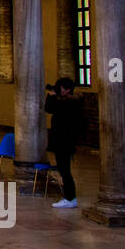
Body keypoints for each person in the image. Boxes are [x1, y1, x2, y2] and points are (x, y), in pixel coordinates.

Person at [44, 76, 85, 208]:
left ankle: (70, 197)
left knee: (65, 170)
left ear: (67, 90)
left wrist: (51, 96)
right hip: (62, 141)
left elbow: (49, 107)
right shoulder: (64, 101)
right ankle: (69, 196)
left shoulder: (70, 102)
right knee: (63, 170)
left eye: (60, 88)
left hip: (65, 141)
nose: (59, 90)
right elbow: (50, 109)